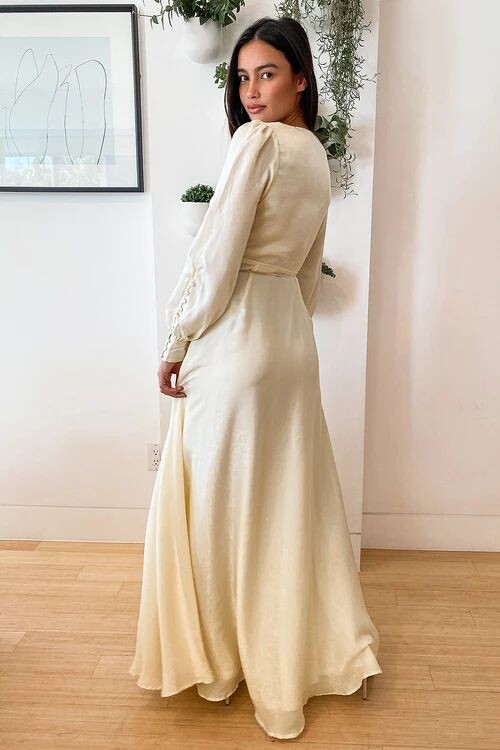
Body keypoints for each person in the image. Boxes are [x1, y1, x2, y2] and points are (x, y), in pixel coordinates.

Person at [129, 15, 382, 741]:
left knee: (219, 504)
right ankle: (294, 646)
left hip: (237, 342)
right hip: (291, 346)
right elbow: (305, 271)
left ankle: (222, 660)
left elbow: (215, 256)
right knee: (283, 504)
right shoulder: (316, 157)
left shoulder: (258, 143)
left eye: (267, 74)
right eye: (242, 78)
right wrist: (289, 334)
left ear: (301, 77)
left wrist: (177, 338)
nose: (251, 92)